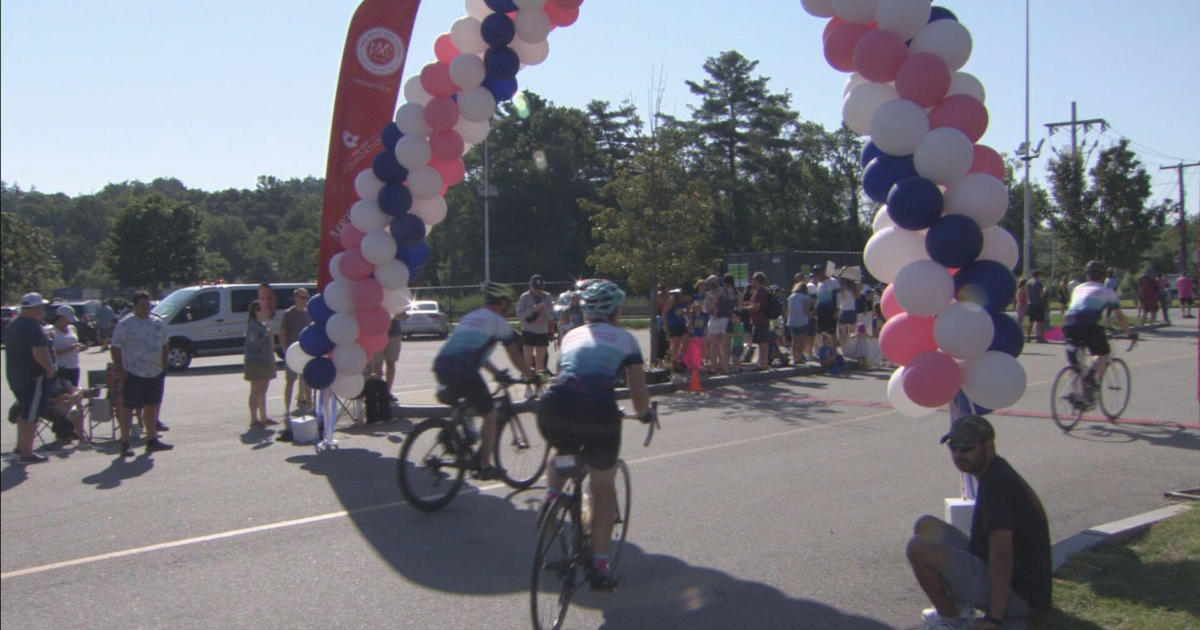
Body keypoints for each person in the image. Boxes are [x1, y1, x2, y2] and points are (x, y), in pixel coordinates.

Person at [536, 280, 655, 590]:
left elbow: (566, 373)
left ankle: (553, 495)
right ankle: (600, 565)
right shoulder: (627, 340)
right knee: (602, 488)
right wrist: (644, 415)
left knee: (561, 448)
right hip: (599, 413)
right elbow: (638, 394)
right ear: (616, 311)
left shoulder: (570, 335)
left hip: (554, 406)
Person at [907, 415, 1052, 629]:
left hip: (1020, 596)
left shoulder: (998, 486)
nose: (959, 454)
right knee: (926, 526)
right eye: (954, 447)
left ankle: (953, 621)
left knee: (917, 548)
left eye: (967, 447)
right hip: (1009, 578)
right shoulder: (996, 471)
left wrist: (994, 619)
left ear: (989, 446)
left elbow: (1002, 556)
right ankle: (960, 609)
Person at [432, 282, 534, 480]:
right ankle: (485, 465)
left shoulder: (470, 317)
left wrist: (496, 372)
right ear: (502, 302)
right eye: (508, 303)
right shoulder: (499, 322)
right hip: (464, 370)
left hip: (442, 365)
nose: (509, 307)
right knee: (490, 415)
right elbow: (516, 356)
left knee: (468, 403)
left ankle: (452, 433)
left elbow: (478, 353)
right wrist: (531, 376)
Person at [111, 290, 173, 456]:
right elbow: (115, 347)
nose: (146, 308)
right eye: (142, 305)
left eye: (148, 305)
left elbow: (165, 343)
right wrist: (120, 370)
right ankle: (125, 441)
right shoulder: (126, 324)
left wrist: (165, 363)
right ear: (135, 306)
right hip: (133, 372)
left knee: (151, 406)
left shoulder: (157, 322)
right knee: (128, 408)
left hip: (154, 372)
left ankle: (151, 439)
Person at [1064, 261, 1133, 398]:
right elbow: (1119, 316)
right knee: (1103, 352)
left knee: (1076, 364)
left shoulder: (1078, 288)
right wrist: (1129, 333)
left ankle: (1073, 393)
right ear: (1103, 277)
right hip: (1088, 324)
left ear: (1087, 275)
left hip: (1069, 324)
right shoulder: (1108, 292)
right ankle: (1091, 377)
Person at [3, 293, 59, 463]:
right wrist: (50, 369)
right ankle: (26, 453)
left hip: (16, 375)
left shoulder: (14, 324)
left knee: (24, 411)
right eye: (41, 307)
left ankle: (21, 447)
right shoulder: (33, 326)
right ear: (33, 308)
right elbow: (39, 352)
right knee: (31, 415)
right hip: (34, 377)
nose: (43, 310)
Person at [278, 288, 311, 439]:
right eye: (301, 297)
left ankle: (309, 405)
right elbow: (283, 332)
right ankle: (287, 409)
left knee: (306, 380)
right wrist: (285, 350)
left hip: (305, 351)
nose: (304, 300)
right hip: (292, 351)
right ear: (295, 297)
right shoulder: (288, 313)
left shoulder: (308, 312)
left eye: (306, 297)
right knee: (290, 381)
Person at [244, 300, 278, 429]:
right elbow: (254, 345)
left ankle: (264, 417)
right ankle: (254, 419)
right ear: (256, 312)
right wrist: (266, 336)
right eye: (263, 310)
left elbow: (270, 346)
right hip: (255, 362)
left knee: (263, 390)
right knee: (255, 390)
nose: (266, 312)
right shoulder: (253, 326)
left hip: (265, 361)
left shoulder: (263, 325)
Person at [516, 274, 554, 376]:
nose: (538, 291)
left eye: (540, 289)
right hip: (528, 331)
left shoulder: (547, 297)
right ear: (531, 286)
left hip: (542, 331)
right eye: (535, 288)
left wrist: (545, 309)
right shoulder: (525, 297)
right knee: (528, 359)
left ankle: (539, 382)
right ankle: (528, 380)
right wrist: (533, 309)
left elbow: (552, 318)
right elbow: (519, 316)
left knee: (540, 360)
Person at [51, 305, 87, 387]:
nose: (69, 322)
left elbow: (75, 347)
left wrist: (80, 348)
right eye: (67, 319)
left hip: (74, 366)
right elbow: (51, 352)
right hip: (61, 368)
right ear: (60, 318)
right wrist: (69, 348)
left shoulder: (72, 328)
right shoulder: (52, 331)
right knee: (64, 393)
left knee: (75, 390)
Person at [742, 271, 772, 371]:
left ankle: (763, 364)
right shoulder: (757, 291)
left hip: (761, 319)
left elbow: (756, 308)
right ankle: (762, 362)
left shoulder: (760, 292)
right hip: (758, 320)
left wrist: (744, 308)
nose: (752, 282)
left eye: (754, 280)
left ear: (758, 281)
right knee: (760, 342)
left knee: (763, 342)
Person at [787, 282, 814, 363]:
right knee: (802, 341)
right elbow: (806, 311)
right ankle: (800, 356)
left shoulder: (791, 297)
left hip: (792, 321)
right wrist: (813, 313)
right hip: (802, 321)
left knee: (794, 340)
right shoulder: (806, 297)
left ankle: (795, 357)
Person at [1025, 270, 1047, 343]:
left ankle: (1028, 337)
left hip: (1031, 303)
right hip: (1038, 304)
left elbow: (1027, 294)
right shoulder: (1038, 283)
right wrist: (1045, 292)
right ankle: (1040, 337)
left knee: (1031, 321)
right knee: (1041, 321)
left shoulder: (1028, 283)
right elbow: (1041, 295)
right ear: (1038, 275)